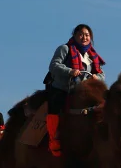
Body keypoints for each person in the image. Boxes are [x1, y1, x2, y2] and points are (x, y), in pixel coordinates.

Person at [44, 24, 106, 156]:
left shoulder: (91, 55)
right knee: (56, 105)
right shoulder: (64, 49)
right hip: (63, 88)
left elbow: (102, 74)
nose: (84, 37)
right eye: (81, 34)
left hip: (82, 91)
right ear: (75, 35)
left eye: (87, 35)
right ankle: (54, 139)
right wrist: (70, 71)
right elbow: (53, 66)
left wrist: (97, 77)